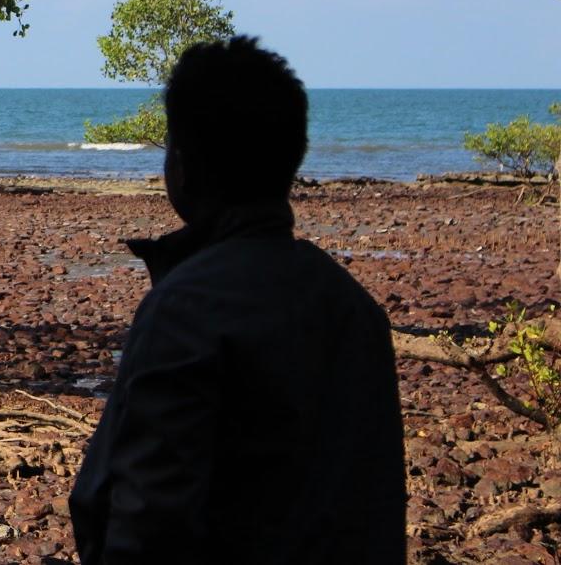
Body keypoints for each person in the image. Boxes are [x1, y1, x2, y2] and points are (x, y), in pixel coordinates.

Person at [70, 36, 406, 564]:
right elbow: (375, 503)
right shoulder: (357, 310)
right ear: (291, 158)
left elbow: (141, 518)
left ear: (181, 164)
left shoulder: (185, 309)